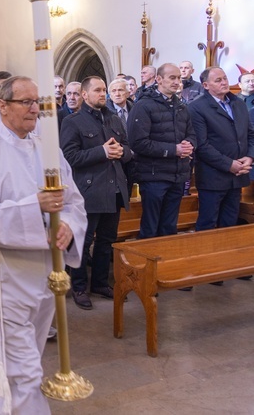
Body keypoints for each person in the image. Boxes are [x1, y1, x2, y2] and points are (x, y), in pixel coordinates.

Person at [0, 75, 86, 415]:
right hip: (5, 277)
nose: (35, 109)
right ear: (2, 105)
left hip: (45, 275)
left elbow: (73, 202)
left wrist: (69, 228)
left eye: (38, 102)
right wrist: (36, 206)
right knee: (21, 368)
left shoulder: (48, 151)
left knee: (18, 358)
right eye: (26, 102)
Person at [60, 76, 132, 310]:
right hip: (89, 190)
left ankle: (100, 282)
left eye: (104, 90)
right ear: (84, 95)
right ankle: (79, 286)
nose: (103, 94)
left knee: (107, 240)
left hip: (114, 189)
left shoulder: (113, 118)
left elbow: (129, 149)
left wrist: (122, 151)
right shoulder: (73, 122)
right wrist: (101, 151)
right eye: (98, 90)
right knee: (83, 240)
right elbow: (70, 157)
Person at [128, 63, 196, 238]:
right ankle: (148, 263)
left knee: (169, 226)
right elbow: (138, 143)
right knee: (151, 227)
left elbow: (192, 134)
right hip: (153, 176)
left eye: (178, 78)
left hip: (177, 174)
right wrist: (174, 149)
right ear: (158, 79)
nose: (176, 82)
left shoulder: (181, 106)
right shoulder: (143, 106)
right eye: (172, 78)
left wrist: (189, 144)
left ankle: (166, 264)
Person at [188, 67, 254, 231]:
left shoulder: (237, 103)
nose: (224, 82)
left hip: (237, 177)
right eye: (218, 80)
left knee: (230, 224)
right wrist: (229, 164)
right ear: (205, 85)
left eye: (224, 78)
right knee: (208, 224)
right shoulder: (197, 107)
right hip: (213, 177)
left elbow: (250, 134)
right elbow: (201, 145)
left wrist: (250, 157)